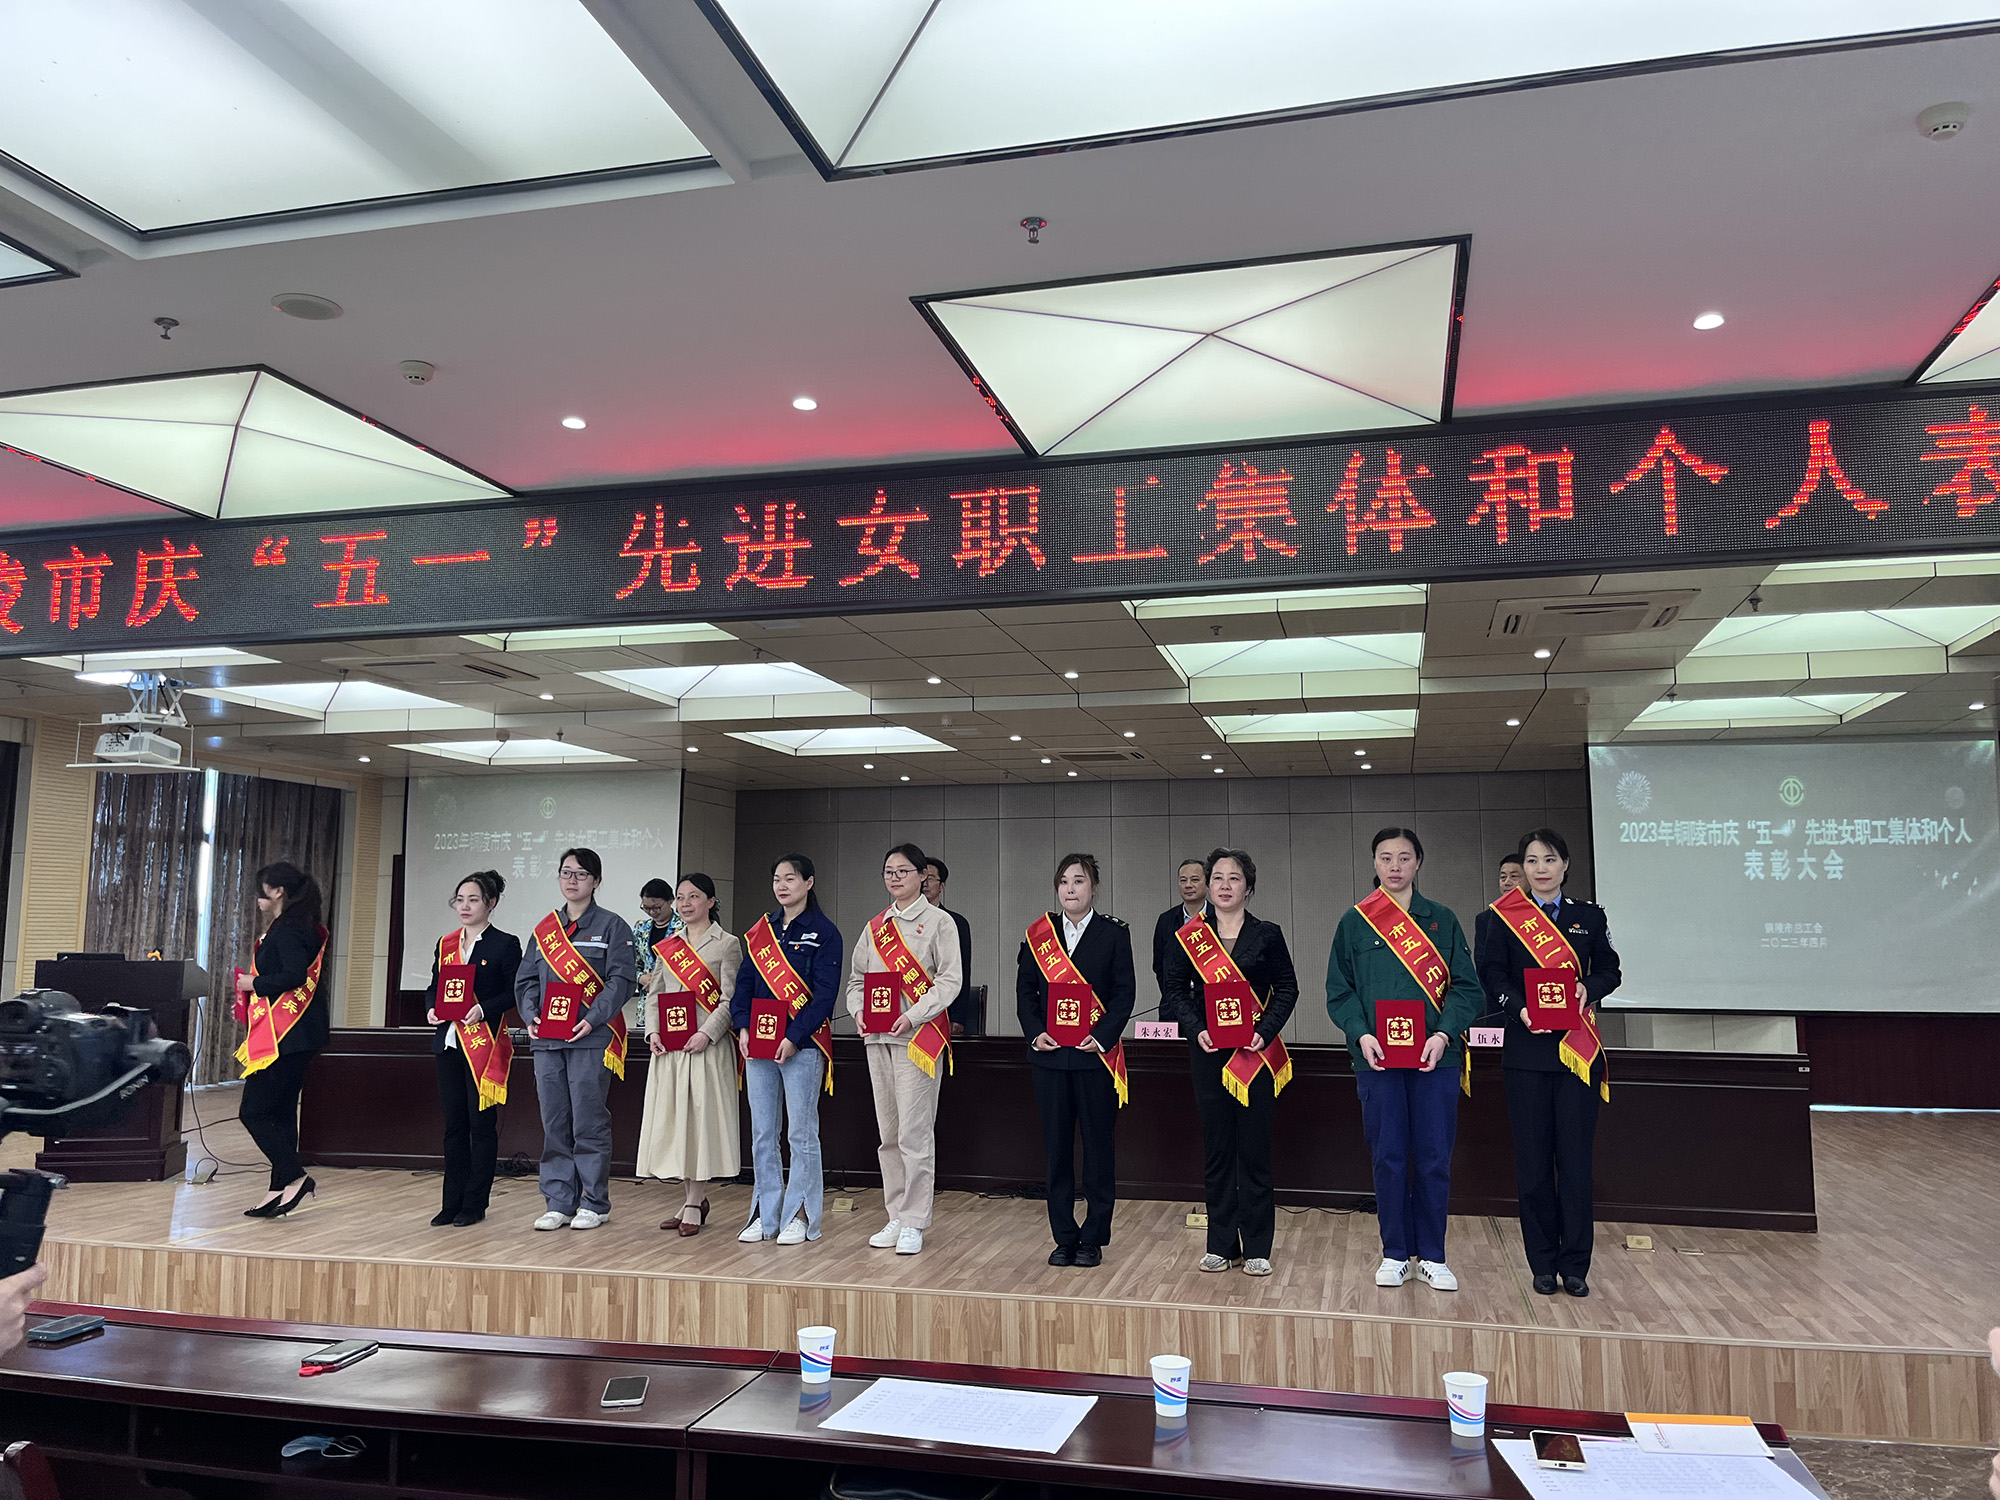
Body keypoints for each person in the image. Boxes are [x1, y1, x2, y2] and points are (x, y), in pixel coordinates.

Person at [1325, 827, 1485, 1293]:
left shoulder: (1442, 919)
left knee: (1434, 1156)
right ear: (1374, 863)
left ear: (1418, 863)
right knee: (1389, 1156)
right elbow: (1339, 991)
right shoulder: (1355, 922)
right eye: (1385, 857)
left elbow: (1467, 987)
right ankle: (1395, 1252)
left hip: (1437, 1056)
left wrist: (1443, 1033)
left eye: (1404, 857)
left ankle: (1433, 1255)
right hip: (1376, 1059)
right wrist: (1360, 1034)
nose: (1395, 866)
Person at [1478, 827, 1620, 1298]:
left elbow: (1610, 970)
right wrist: (1519, 1008)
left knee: (1576, 1164)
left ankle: (1576, 1264)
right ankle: (1541, 1262)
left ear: (1565, 865)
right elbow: (1492, 973)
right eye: (1533, 861)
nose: (1541, 869)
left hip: (1578, 1054)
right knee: (1534, 1164)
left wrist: (1586, 989)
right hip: (1526, 1053)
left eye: (1550, 859)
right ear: (1524, 868)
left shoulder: (1589, 916)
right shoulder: (1503, 917)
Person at [1157, 848, 1298, 1277]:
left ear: (1248, 888)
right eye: (1217, 877)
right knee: (1217, 1151)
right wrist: (1195, 1028)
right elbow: (1174, 989)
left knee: (1254, 1152)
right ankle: (1220, 1244)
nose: (1223, 885)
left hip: (1254, 1056)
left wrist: (1264, 1031)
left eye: (1233, 878)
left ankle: (1257, 1247)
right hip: (1208, 1054)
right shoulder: (1189, 937)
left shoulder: (1268, 934)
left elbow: (1288, 988)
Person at [1016, 852, 1134, 1268]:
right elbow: (1026, 992)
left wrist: (1101, 1037)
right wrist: (1035, 1032)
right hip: (1050, 1059)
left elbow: (1124, 994)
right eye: (1064, 881)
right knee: (1056, 1150)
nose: (1070, 889)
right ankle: (1064, 1236)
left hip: (1093, 1059)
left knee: (1098, 1150)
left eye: (1079, 881)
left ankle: (1093, 1237)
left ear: (1094, 888)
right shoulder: (1039, 935)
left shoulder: (1113, 934)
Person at [847, 841, 962, 1256]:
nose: (895, 878)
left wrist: (913, 1015)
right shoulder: (875, 926)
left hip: (918, 1040)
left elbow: (949, 980)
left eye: (903, 871)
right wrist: (858, 1011)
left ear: (922, 877)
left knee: (915, 1133)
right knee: (889, 1134)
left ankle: (914, 1220)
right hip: (877, 1039)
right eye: (889, 872)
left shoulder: (939, 922)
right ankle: (895, 1213)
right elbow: (856, 981)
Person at [514, 846, 636, 1232]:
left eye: (581, 874)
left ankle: (594, 1202)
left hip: (590, 1038)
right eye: (566, 872)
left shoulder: (613, 927)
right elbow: (526, 979)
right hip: (547, 1041)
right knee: (554, 1122)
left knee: (588, 1121)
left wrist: (592, 1018)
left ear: (596, 881)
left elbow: (621, 980)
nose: (572, 880)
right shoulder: (544, 930)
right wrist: (530, 1014)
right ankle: (558, 1202)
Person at [733, 853, 841, 1244]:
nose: (782, 885)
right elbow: (744, 984)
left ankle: (800, 1214)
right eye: (777, 878)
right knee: (763, 1133)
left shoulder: (825, 932)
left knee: (801, 1134)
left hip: (802, 1046)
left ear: (808, 882)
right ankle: (765, 1212)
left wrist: (793, 1037)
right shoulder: (761, 932)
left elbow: (825, 995)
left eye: (790, 878)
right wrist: (742, 1026)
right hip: (759, 1045)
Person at [637, 873, 742, 1235]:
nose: (685, 903)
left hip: (706, 1048)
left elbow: (730, 1000)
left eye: (693, 896)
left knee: (700, 1123)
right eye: (680, 897)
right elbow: (655, 994)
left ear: (711, 902)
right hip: (671, 1049)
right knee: (678, 1125)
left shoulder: (727, 944)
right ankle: (689, 1199)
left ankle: (695, 1202)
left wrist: (706, 1033)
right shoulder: (669, 945)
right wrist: (652, 1031)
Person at [423, 869, 522, 1227]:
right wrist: (431, 1008)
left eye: (473, 900)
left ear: (490, 903)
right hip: (449, 1042)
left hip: (484, 1045)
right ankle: (450, 1203)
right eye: (460, 900)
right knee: (454, 1126)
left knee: (481, 1126)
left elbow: (514, 991)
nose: (464, 906)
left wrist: (484, 1009)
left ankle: (474, 1203)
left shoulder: (504, 944)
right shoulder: (446, 943)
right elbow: (434, 986)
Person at [234, 861, 329, 1219]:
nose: (257, 897)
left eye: (262, 890)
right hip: (297, 1034)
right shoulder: (294, 925)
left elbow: (293, 976)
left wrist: (253, 984)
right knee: (281, 1112)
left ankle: (295, 1176)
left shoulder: (288, 929)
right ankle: (278, 1187)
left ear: (278, 892)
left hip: (288, 1035)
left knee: (253, 1112)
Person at [923, 858, 980, 1037]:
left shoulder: (956, 923)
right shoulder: (898, 922)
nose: (924, 883)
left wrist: (958, 1018)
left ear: (942, 886)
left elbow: (963, 971)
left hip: (944, 1011)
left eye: (930, 878)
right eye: (921, 878)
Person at [1151, 857, 1212, 993]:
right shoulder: (1166, 920)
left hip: (1210, 999)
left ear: (1208, 884)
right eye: (1183, 880)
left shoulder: (1219, 918)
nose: (1188, 885)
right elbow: (1159, 966)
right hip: (1174, 999)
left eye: (1195, 880)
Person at [1472, 854, 1525, 958]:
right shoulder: (1485, 919)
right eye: (1503, 877)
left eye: (1514, 876)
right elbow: (1481, 960)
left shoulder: (1542, 912)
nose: (1507, 882)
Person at [632, 877, 677, 986]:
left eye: (656, 907)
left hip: (675, 991)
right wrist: (640, 977)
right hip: (648, 993)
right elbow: (631, 963)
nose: (652, 912)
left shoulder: (683, 927)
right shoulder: (641, 928)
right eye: (646, 908)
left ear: (670, 900)